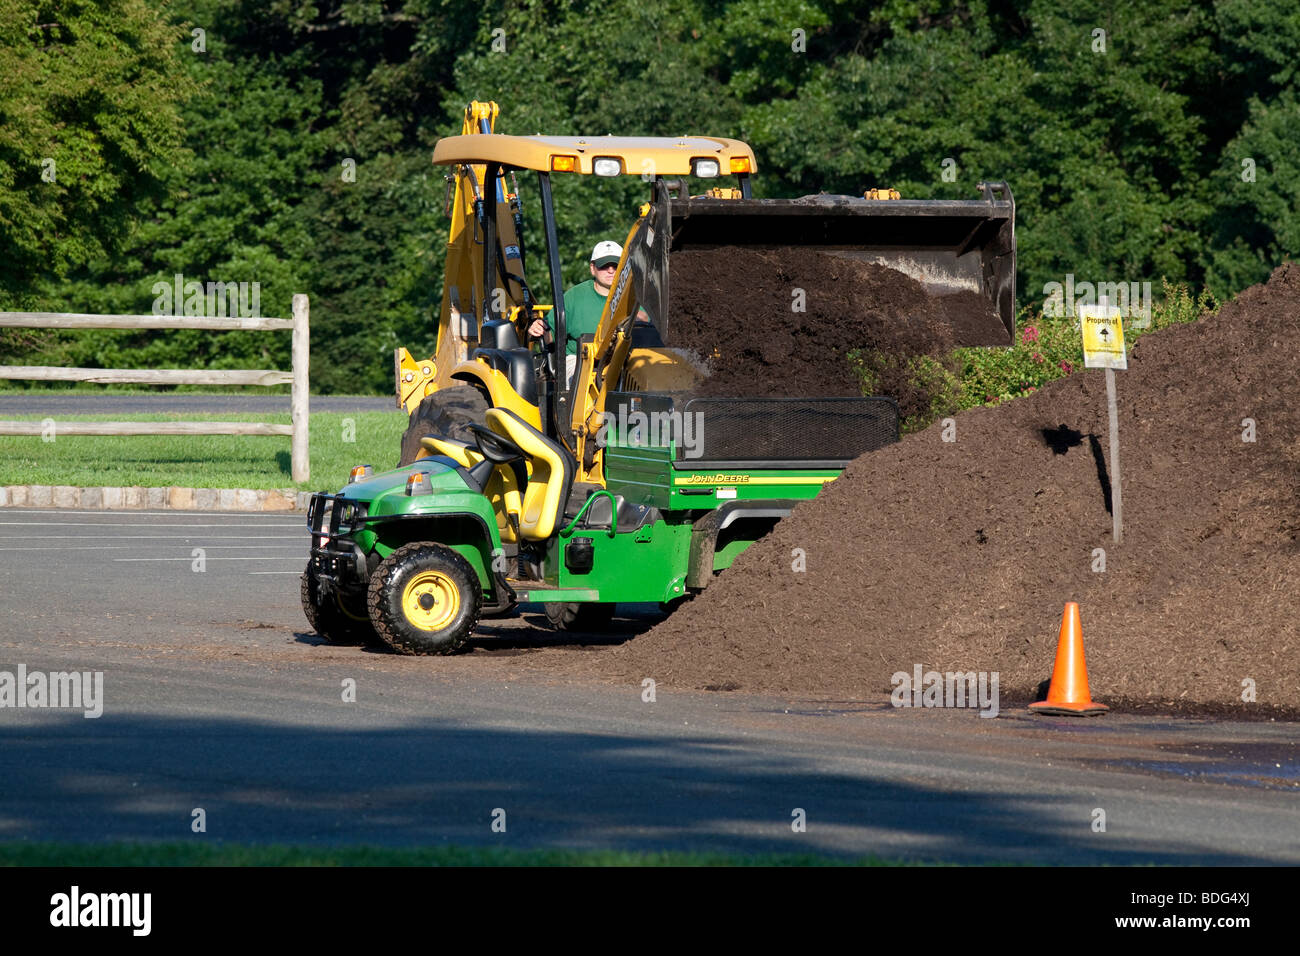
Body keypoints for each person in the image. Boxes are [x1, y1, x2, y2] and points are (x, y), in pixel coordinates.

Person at [529, 240, 622, 388]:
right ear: (593, 268)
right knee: (583, 382)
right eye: (604, 266)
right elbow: (550, 331)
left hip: (621, 360)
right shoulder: (575, 296)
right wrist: (539, 327)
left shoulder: (632, 296)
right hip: (580, 360)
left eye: (615, 266)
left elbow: (644, 324)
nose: (611, 270)